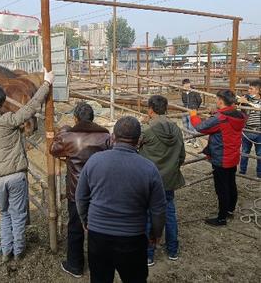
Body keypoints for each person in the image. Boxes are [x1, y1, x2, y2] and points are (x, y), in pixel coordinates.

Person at [0, 68, 55, 262]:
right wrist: (47, 83)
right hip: (15, 175)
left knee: (4, 214)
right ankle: (19, 251)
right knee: (18, 214)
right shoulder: (9, 120)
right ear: (2, 102)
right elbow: (31, 107)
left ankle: (6, 251)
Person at [76, 116, 167, 283]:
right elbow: (158, 208)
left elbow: (81, 196)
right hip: (132, 238)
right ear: (139, 140)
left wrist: (85, 219)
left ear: (112, 137)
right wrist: (155, 233)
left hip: (98, 236)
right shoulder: (149, 168)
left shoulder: (94, 161)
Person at [50, 102, 110, 278]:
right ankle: (99, 263)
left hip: (77, 191)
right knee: (99, 228)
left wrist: (63, 131)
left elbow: (53, 150)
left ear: (75, 118)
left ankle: (75, 265)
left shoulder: (69, 137)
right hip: (99, 190)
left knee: (75, 228)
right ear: (93, 118)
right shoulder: (105, 136)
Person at [139, 95, 185, 264]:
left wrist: (143, 123)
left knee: (149, 216)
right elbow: (182, 156)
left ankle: (149, 254)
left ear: (150, 109)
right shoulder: (176, 128)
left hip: (150, 180)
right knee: (169, 213)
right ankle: (173, 250)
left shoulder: (147, 130)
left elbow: (133, 146)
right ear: (166, 109)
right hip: (169, 180)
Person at [190, 90, 246, 226]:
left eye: (217, 99)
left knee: (222, 188)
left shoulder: (221, 118)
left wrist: (193, 115)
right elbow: (223, 118)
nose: (216, 101)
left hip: (221, 158)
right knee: (231, 184)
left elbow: (200, 127)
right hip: (233, 156)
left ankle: (221, 218)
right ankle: (230, 210)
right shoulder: (240, 115)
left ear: (220, 101)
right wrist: (213, 114)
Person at [238, 80, 261, 178]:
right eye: (249, 88)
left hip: (259, 131)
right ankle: (242, 171)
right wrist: (239, 101)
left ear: (258, 90)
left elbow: (258, 107)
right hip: (247, 130)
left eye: (251, 89)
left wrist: (247, 102)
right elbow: (236, 102)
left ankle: (259, 173)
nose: (249, 90)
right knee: (244, 152)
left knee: (259, 154)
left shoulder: (251, 101)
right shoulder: (245, 98)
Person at [181, 78, 202, 148]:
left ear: (189, 84)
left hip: (192, 110)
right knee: (185, 125)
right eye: (185, 84)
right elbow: (183, 101)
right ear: (183, 85)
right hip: (184, 110)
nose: (186, 85)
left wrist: (195, 107)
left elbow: (199, 100)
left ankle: (194, 140)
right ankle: (188, 139)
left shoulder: (194, 91)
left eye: (187, 83)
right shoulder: (183, 92)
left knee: (191, 125)